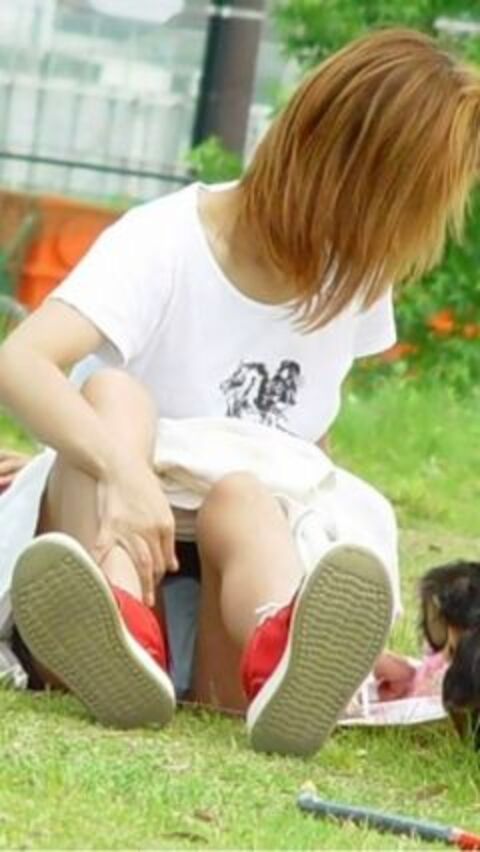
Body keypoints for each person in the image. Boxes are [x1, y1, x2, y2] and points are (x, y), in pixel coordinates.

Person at [0, 27, 479, 757]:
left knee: (249, 495)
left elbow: (307, 453)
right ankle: (118, 623)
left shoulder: (353, 277)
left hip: (224, 620)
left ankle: (285, 653)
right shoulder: (163, 242)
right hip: (113, 543)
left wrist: (337, 635)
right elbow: (21, 362)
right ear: (349, 172)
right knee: (116, 397)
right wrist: (124, 474)